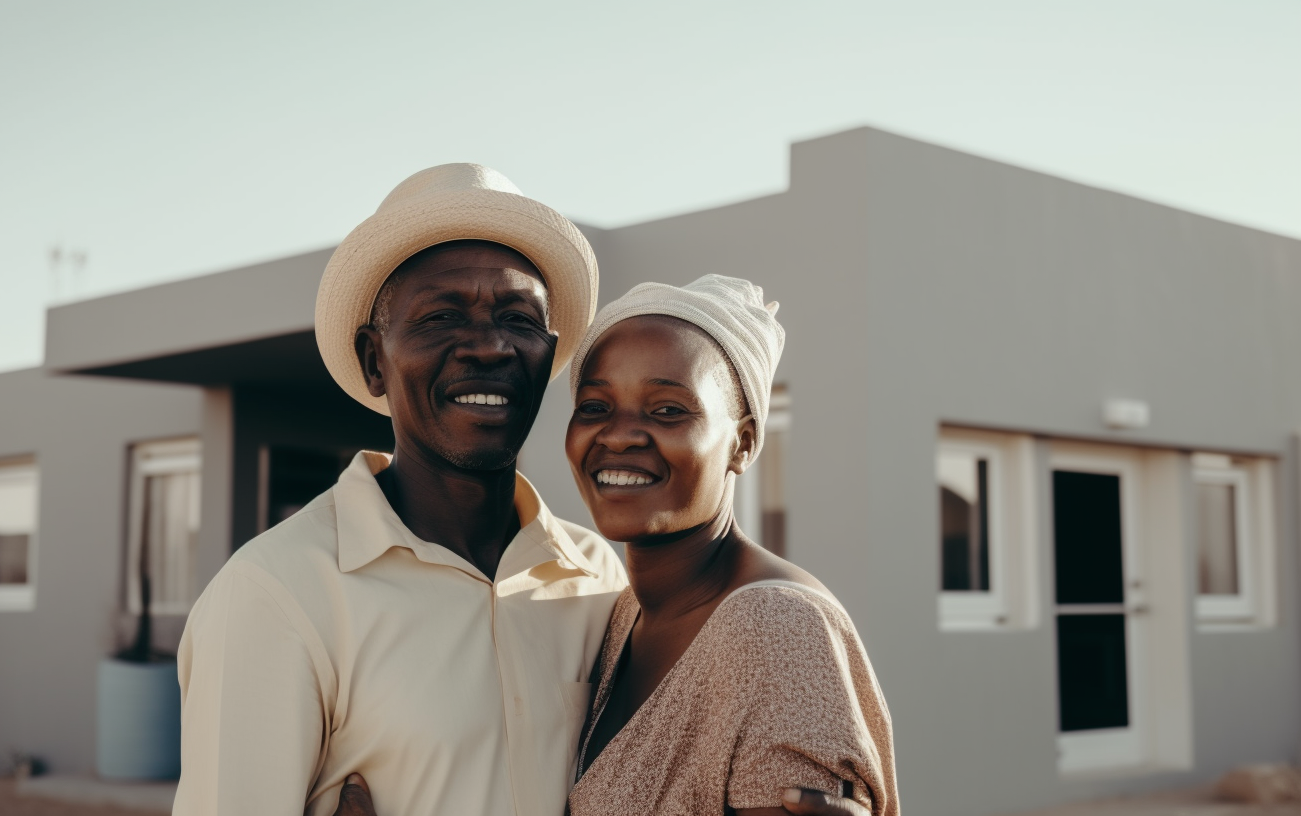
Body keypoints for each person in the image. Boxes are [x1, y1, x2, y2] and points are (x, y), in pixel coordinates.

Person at [174, 165, 862, 816]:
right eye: (441, 317)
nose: (487, 346)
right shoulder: (277, 595)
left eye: (518, 319)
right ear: (371, 361)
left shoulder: (600, 588)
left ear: (546, 356)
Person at [563, 275, 899, 815]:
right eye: (596, 407)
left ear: (741, 444)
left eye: (668, 410)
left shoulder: (774, 627)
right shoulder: (624, 615)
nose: (620, 434)